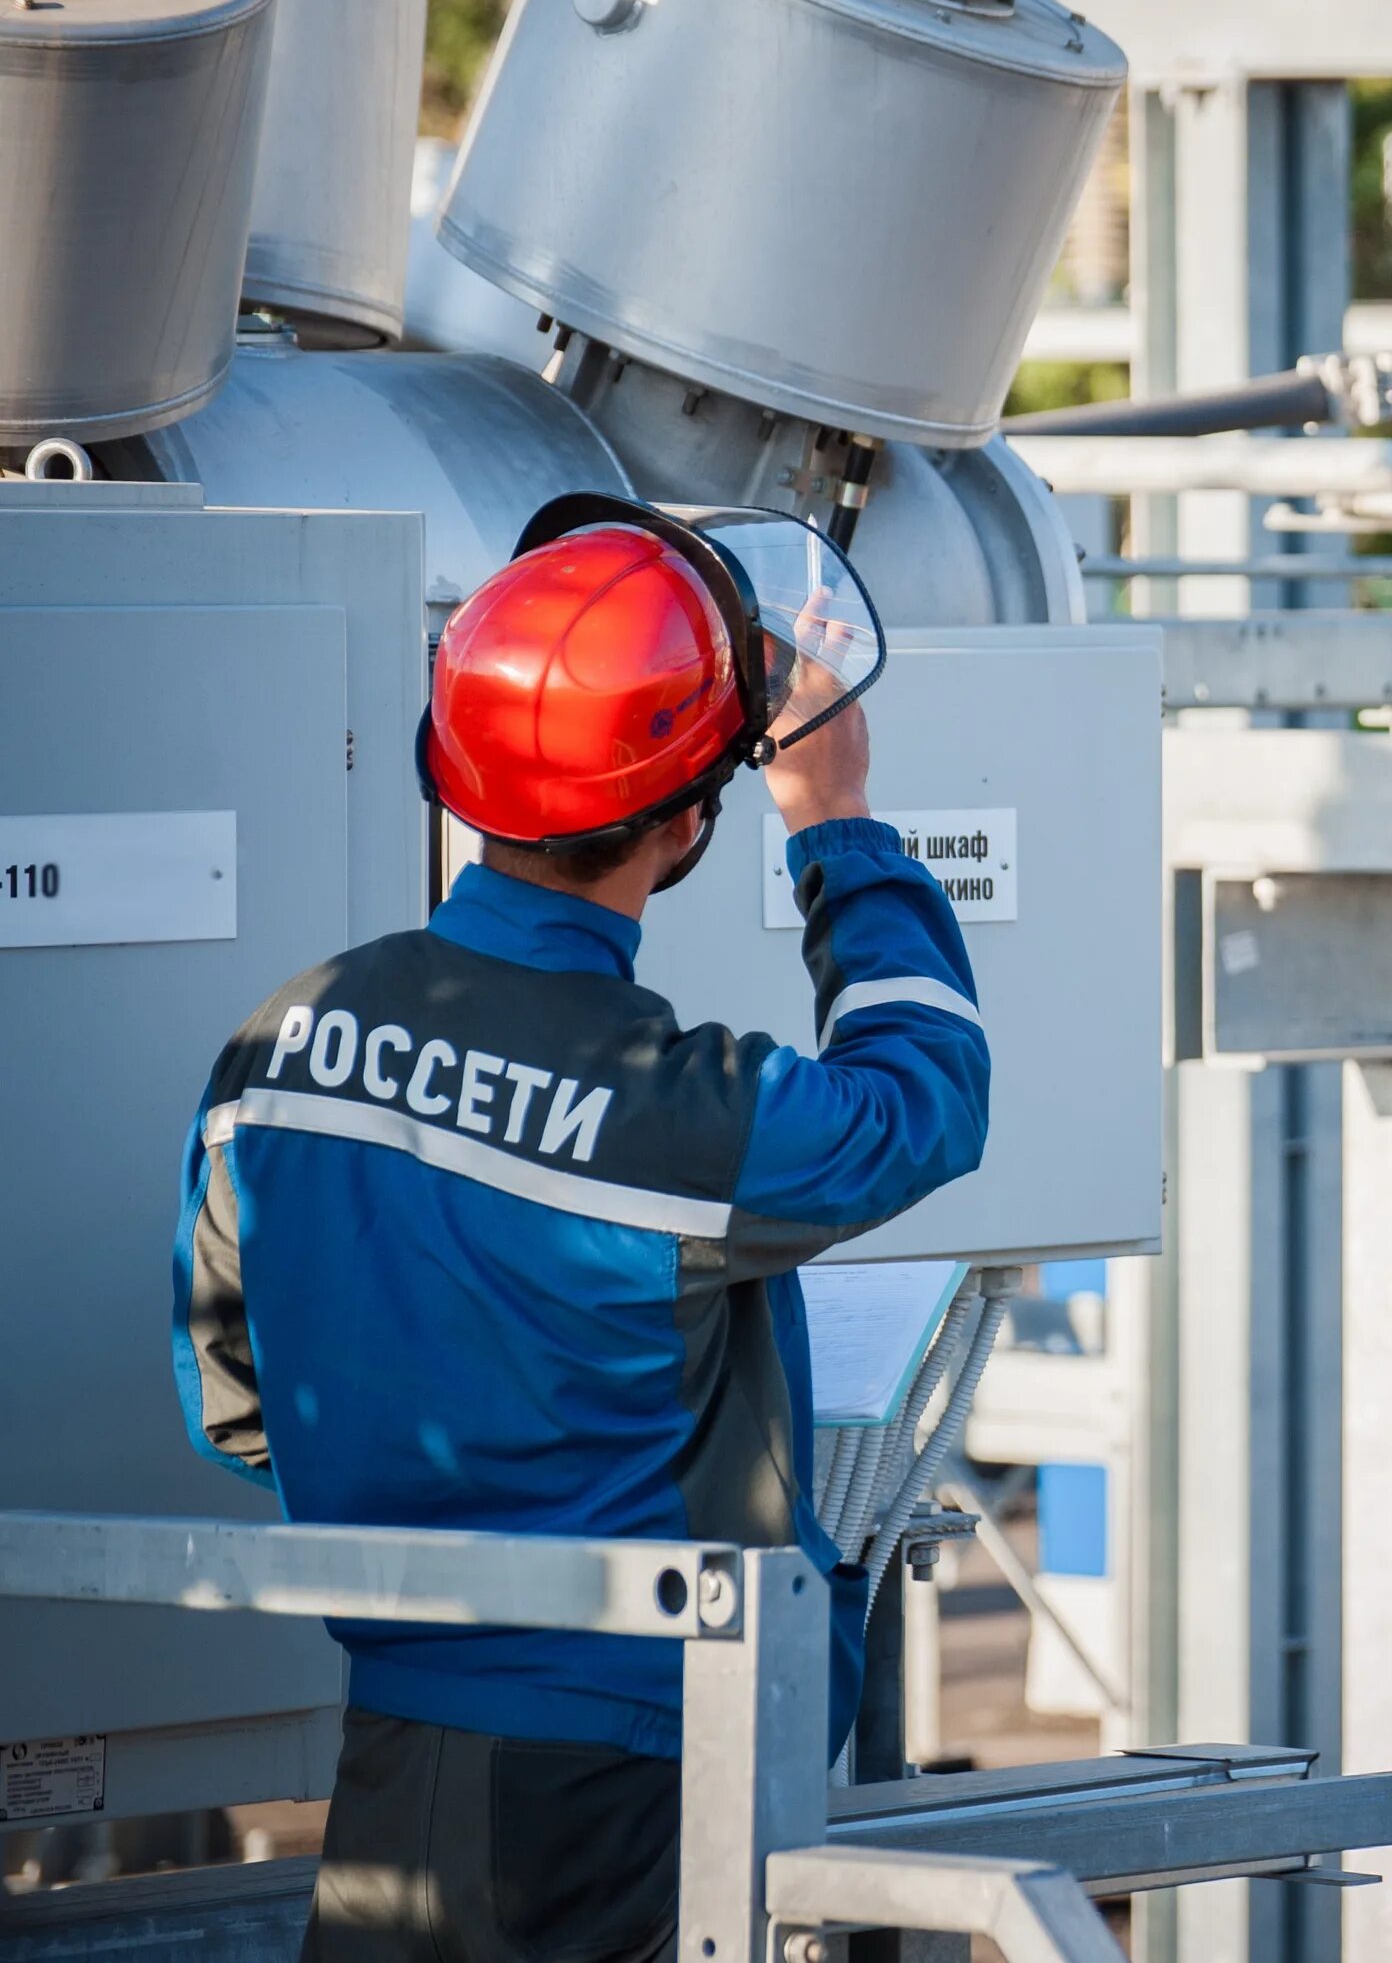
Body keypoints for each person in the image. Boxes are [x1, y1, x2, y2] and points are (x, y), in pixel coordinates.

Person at [169, 494, 990, 1963]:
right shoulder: (671, 1109)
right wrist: (842, 826)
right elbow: (923, 1100)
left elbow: (232, 1402)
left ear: (457, 777)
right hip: (627, 1778)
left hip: (396, 1751)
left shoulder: (275, 1049)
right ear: (685, 823)